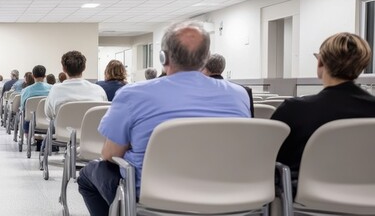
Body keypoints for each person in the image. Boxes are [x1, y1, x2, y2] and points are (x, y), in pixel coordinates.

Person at [78, 21, 250, 215]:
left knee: (88, 176)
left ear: (163, 57)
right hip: (230, 191)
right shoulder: (239, 94)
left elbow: (110, 155)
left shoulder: (133, 94)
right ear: (206, 58)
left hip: (153, 194)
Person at [272, 32, 375, 196]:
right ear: (361, 67)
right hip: (369, 195)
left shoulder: (293, 110)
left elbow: (269, 159)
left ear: (320, 62)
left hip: (306, 196)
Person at [44, 51, 108, 118]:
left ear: (63, 69)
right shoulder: (98, 90)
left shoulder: (55, 90)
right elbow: (104, 114)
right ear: (84, 68)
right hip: (91, 128)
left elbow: (48, 114)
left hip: (63, 128)